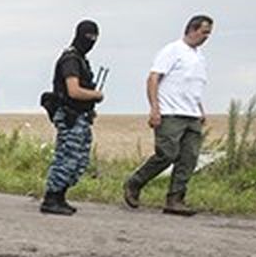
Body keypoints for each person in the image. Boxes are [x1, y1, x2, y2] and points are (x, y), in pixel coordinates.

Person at [123, 15, 214, 216]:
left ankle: (175, 199)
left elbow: (193, 85)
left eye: (209, 33)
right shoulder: (173, 50)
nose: (207, 36)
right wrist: (155, 108)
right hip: (171, 112)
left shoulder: (199, 56)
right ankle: (134, 182)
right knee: (167, 154)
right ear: (192, 29)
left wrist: (200, 109)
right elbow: (153, 78)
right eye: (204, 31)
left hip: (191, 114)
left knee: (189, 158)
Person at [40, 20, 105, 215]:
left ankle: (60, 196)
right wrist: (96, 96)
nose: (92, 41)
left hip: (80, 115)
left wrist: (89, 107)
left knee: (79, 160)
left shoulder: (80, 60)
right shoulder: (71, 60)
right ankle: (52, 198)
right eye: (89, 37)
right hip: (70, 115)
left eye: (95, 38)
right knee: (67, 157)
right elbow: (74, 90)